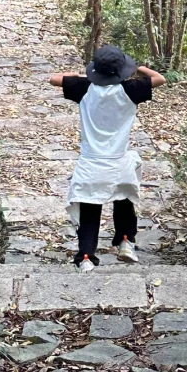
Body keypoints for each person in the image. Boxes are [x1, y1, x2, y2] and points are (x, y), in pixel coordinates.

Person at [46, 43, 166, 270]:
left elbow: (54, 79)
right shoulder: (131, 89)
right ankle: (125, 242)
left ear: (96, 71)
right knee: (124, 199)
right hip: (119, 162)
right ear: (122, 71)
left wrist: (81, 76)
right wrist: (138, 69)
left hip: (91, 163)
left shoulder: (83, 88)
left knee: (90, 209)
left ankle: (85, 258)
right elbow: (159, 79)